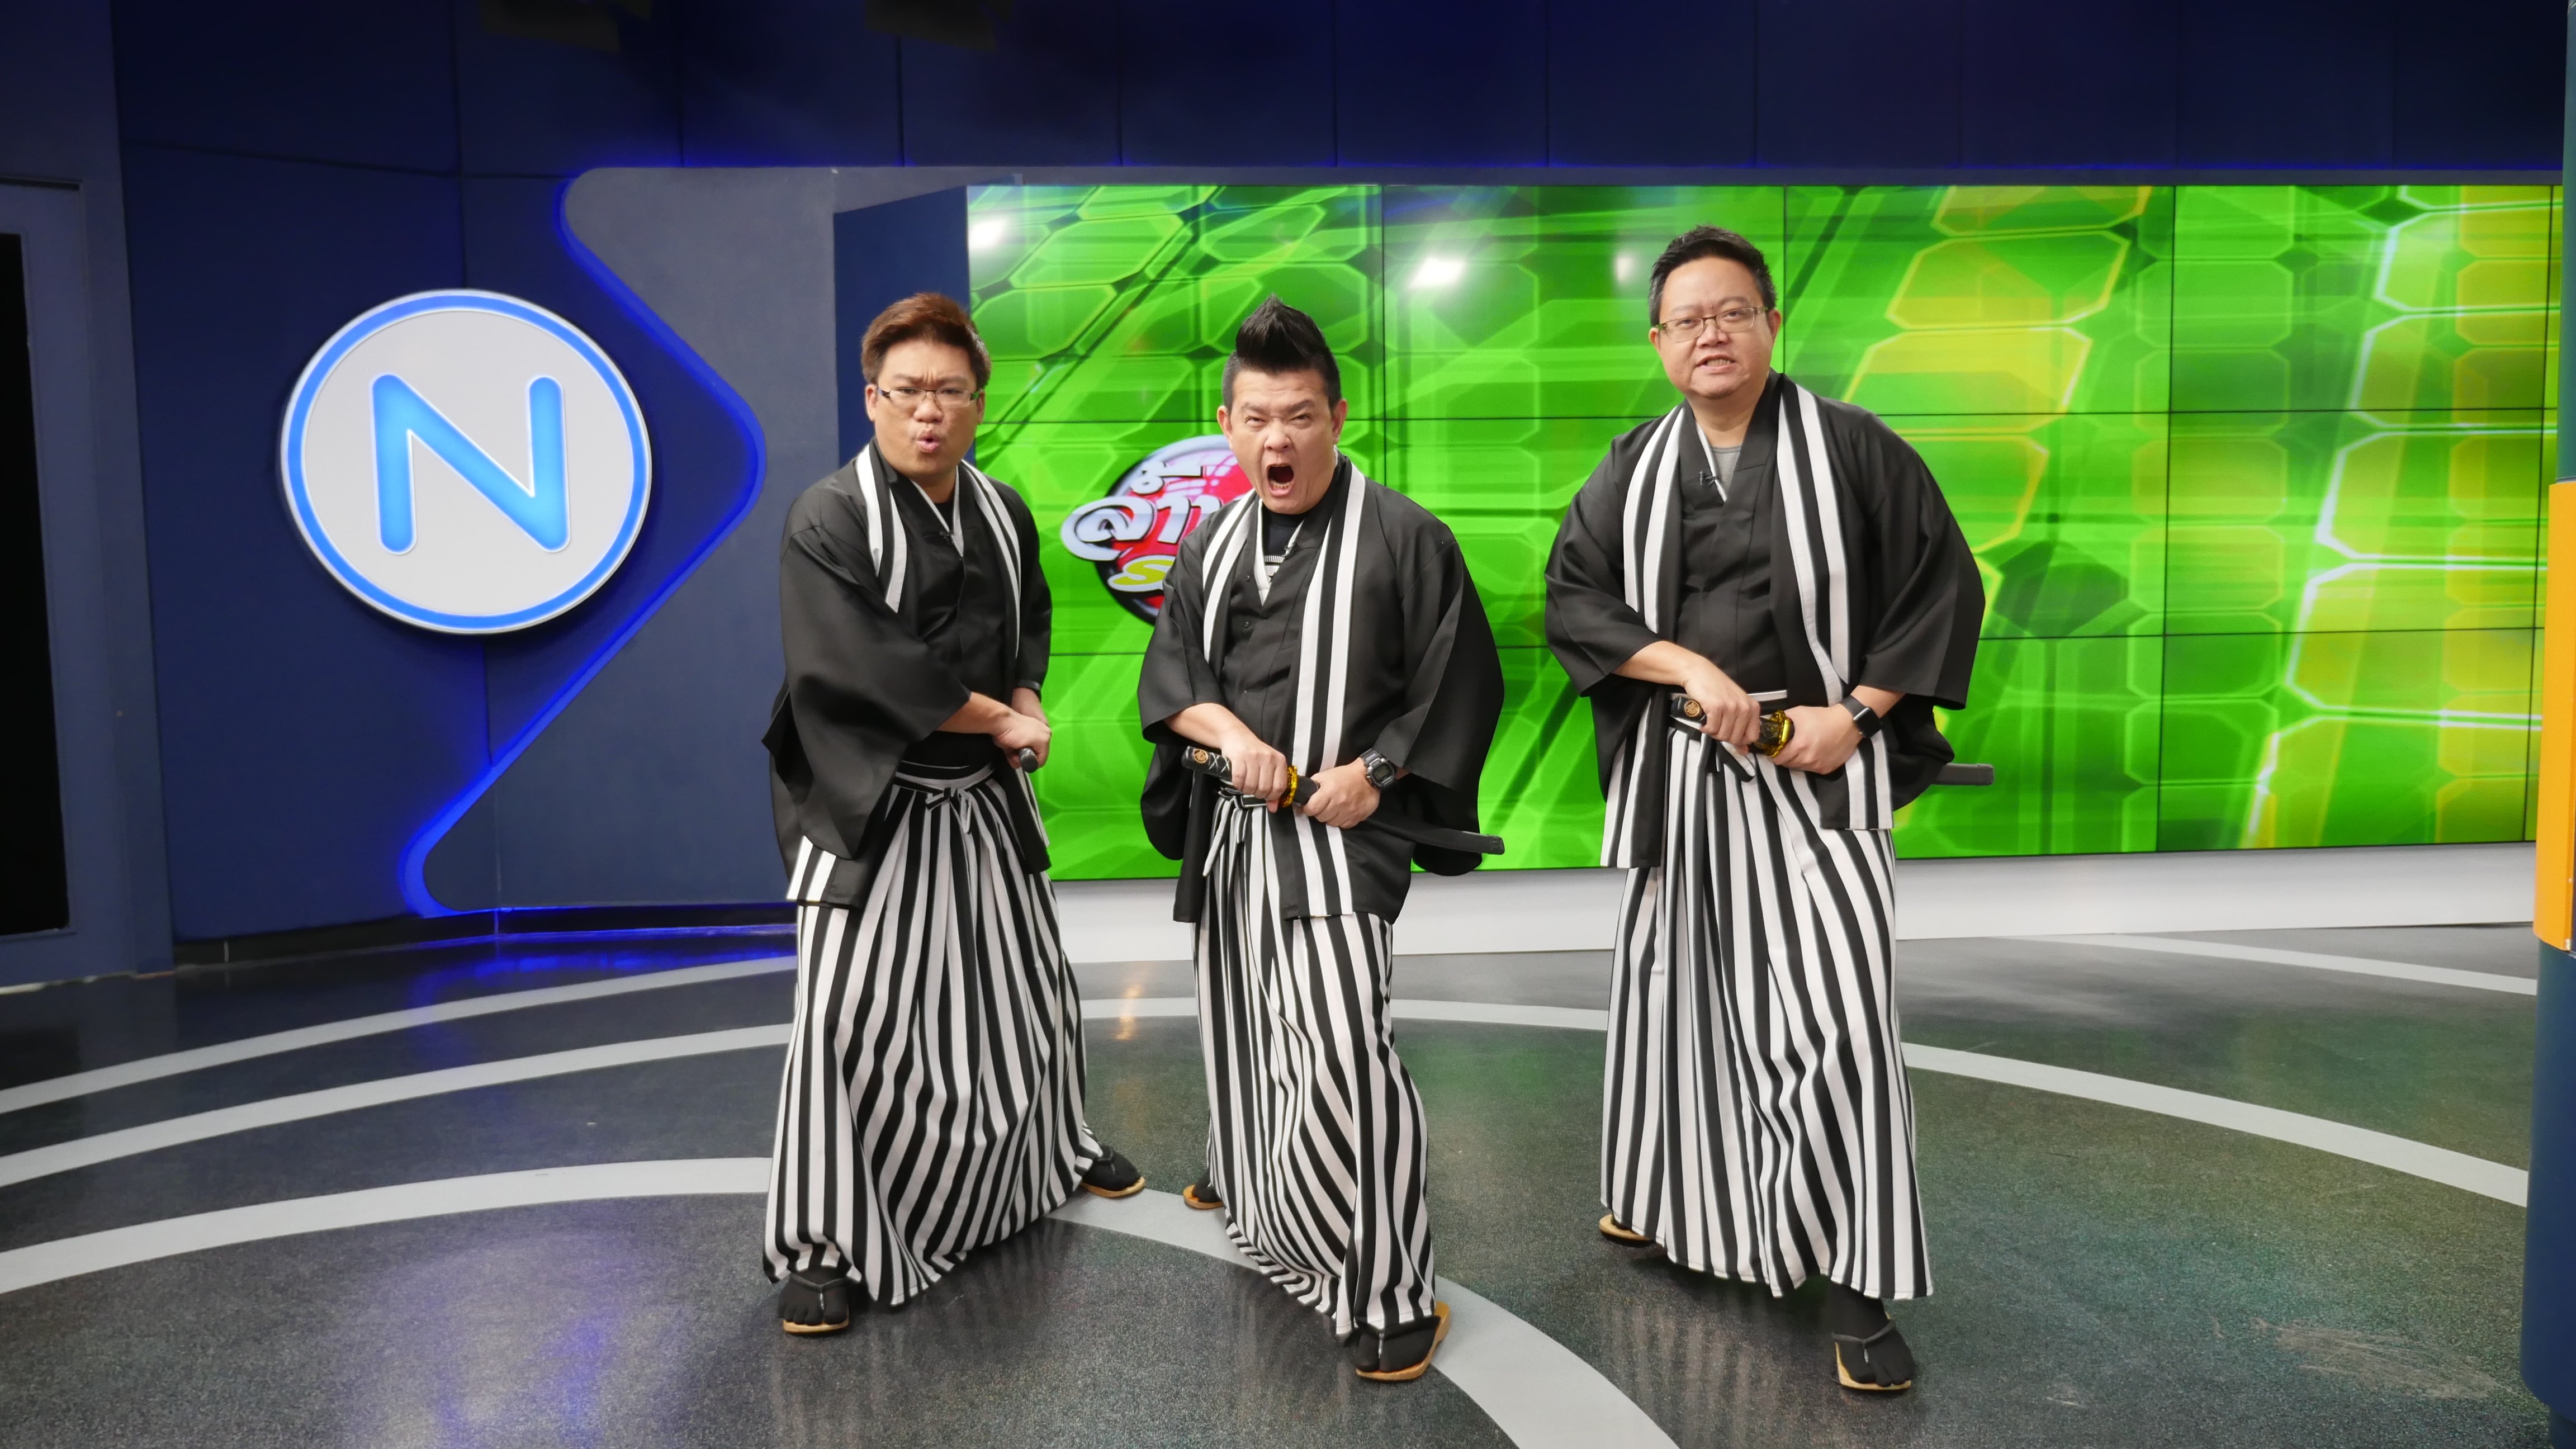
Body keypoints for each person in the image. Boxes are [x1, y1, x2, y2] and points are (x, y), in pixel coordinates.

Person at [1543, 226, 1983, 1393]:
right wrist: (1689, 668)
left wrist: (1862, 714)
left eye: (1732, 312)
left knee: (1837, 1022)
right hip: (1685, 774)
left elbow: (1941, 584)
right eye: (1688, 320)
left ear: (1772, 325)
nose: (1712, 336)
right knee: (1680, 1011)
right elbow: (1575, 600)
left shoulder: (1853, 447)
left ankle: (1856, 1283)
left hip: (1822, 770)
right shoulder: (1632, 468)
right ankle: (1666, 1202)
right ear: (1659, 343)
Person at [1136, 296, 1504, 1382]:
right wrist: (1231, 738)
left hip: (1343, 840)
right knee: (1245, 1029)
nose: (1277, 440)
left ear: (1338, 417)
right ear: (1227, 423)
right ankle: (1254, 1189)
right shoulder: (1210, 543)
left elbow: (1457, 682)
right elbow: (1175, 683)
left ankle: (1390, 1287)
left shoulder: (1406, 536)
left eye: (1299, 416)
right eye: (1256, 418)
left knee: (1343, 1052)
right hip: (1234, 836)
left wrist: (1374, 774)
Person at [759, 292, 1141, 1336]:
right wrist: (1001, 721)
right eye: (907, 391)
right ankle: (826, 1242)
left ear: (979, 402)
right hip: (869, 801)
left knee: (1025, 991)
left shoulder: (1002, 509)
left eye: (950, 391)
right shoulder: (829, 516)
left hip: (982, 795)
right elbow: (864, 668)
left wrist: (1025, 695)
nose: (928, 411)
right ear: (871, 398)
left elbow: (1029, 622)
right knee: (844, 1018)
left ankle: (1049, 1152)